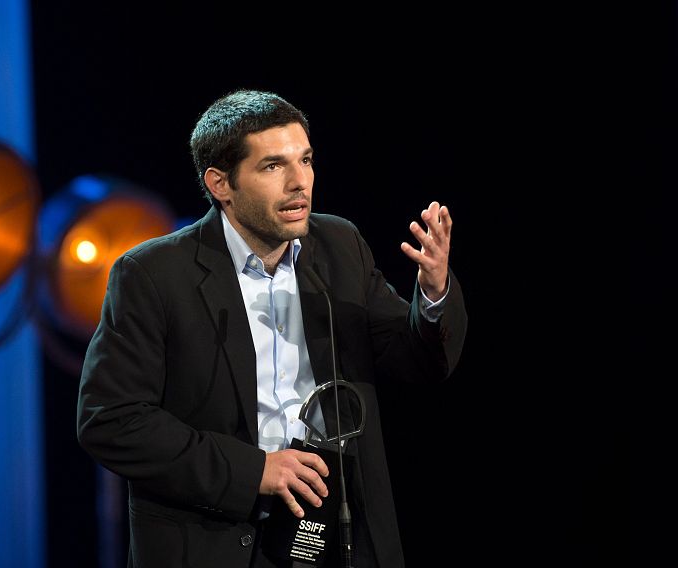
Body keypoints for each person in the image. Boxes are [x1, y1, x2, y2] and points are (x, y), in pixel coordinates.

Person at [77, 89, 467, 568]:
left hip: (333, 533)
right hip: (212, 540)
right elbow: (111, 420)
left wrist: (433, 293)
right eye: (272, 167)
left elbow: (415, 361)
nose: (299, 182)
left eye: (305, 160)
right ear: (220, 184)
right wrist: (253, 471)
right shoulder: (153, 274)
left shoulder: (339, 245)